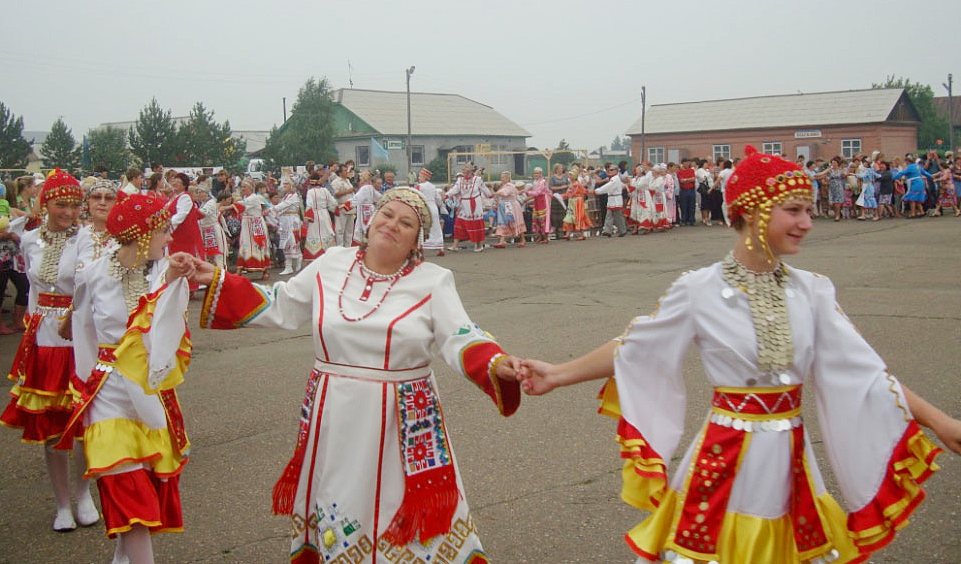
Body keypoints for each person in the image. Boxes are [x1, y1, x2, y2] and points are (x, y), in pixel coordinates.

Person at [518, 147, 961, 563]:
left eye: (808, 210)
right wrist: (557, 373)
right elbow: (634, 347)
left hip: (791, 461)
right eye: (793, 210)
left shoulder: (813, 291)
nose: (807, 222)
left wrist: (941, 422)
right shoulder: (699, 289)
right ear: (750, 211)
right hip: (723, 455)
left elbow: (866, 374)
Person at [188, 187, 523, 563]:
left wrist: (496, 363)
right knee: (341, 497)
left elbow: (462, 336)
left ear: (417, 238)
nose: (392, 225)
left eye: (406, 222)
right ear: (371, 217)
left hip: (403, 421)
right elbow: (281, 304)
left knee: (399, 505)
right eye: (387, 214)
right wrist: (217, 277)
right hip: (334, 414)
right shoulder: (331, 262)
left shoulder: (434, 280)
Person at [57, 193, 195, 564]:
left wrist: (172, 275)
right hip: (108, 396)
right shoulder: (94, 274)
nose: (170, 239)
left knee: (145, 490)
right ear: (142, 233)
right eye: (164, 231)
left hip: (148, 396)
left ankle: (122, 557)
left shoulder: (162, 273)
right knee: (128, 490)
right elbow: (83, 331)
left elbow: (169, 336)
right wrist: (85, 387)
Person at [1, 169, 100, 532]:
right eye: (61, 205)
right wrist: (31, 331)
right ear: (46, 204)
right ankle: (61, 503)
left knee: (83, 420)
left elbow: (89, 280)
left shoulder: (87, 239)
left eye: (75, 206)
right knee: (52, 426)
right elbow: (32, 293)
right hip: (44, 338)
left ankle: (84, 492)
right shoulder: (29, 240)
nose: (69, 213)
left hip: (77, 335)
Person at [445, 164, 492, 252]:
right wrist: (447, 195)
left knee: (475, 224)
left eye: (466, 168)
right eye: (463, 168)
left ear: (471, 170)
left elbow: (485, 189)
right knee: (459, 223)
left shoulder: (477, 180)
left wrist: (490, 195)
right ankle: (455, 246)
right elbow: (455, 189)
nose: (463, 169)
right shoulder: (460, 180)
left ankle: (478, 245)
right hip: (464, 204)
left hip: (475, 204)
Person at [232, 179, 272, 279]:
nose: (243, 189)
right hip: (246, 224)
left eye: (244, 187)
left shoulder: (254, 197)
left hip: (255, 224)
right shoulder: (246, 197)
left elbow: (243, 205)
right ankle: (240, 269)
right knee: (244, 244)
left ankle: (265, 270)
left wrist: (228, 206)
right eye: (242, 187)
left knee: (259, 245)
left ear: (250, 187)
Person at [76, 178, 119, 267]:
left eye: (109, 198)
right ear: (88, 201)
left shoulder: (123, 237)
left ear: (116, 203)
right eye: (97, 197)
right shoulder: (79, 236)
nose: (102, 202)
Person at [271, 178, 305, 275]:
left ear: (291, 185)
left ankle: (298, 258)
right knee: (285, 243)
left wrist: (272, 209)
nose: (284, 186)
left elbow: (284, 205)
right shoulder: (286, 196)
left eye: (286, 184)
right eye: (284, 184)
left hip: (292, 220)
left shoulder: (294, 196)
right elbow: (282, 207)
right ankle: (289, 266)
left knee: (293, 241)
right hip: (285, 221)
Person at [303, 172, 337, 261]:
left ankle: (315, 255)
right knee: (326, 233)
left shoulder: (310, 192)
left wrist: (307, 218)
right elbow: (333, 202)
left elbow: (309, 205)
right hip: (325, 214)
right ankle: (328, 254)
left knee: (315, 234)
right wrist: (332, 209)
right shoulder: (325, 190)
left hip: (314, 216)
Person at [196, 183, 230, 269]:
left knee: (217, 255)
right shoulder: (203, 203)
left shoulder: (211, 203)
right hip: (205, 231)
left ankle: (222, 276)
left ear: (206, 193)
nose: (199, 194)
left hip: (213, 231)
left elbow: (203, 213)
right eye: (198, 192)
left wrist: (191, 211)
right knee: (208, 256)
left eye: (201, 192)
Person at [414, 168, 446, 256]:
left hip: (425, 208)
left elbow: (415, 196)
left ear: (424, 177)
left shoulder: (419, 186)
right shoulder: (433, 186)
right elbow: (438, 199)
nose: (419, 178)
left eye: (420, 176)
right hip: (433, 207)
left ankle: (421, 248)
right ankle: (440, 247)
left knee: (422, 227)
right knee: (436, 227)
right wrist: (441, 206)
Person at [493, 171, 527, 248]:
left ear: (508, 178)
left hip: (512, 206)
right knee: (504, 222)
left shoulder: (510, 186)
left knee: (515, 222)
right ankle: (502, 241)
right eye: (501, 177)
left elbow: (505, 193)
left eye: (503, 177)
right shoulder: (504, 186)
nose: (502, 179)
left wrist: (497, 192)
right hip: (506, 206)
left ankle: (523, 239)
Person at [594, 164, 628, 237]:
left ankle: (622, 230)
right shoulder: (614, 178)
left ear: (616, 171)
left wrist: (598, 191)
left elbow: (607, 187)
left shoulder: (615, 179)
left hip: (616, 199)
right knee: (609, 215)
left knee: (618, 216)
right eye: (609, 170)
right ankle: (607, 230)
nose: (609, 171)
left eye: (612, 170)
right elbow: (621, 186)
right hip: (612, 199)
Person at [351, 171, 380, 246]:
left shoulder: (364, 188)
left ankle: (364, 242)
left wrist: (346, 205)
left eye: (361, 179)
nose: (360, 181)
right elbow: (378, 197)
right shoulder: (370, 187)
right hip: (369, 208)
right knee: (368, 224)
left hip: (364, 209)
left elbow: (357, 199)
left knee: (363, 226)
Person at [332, 166, 356, 247]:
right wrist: (348, 191)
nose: (347, 172)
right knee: (340, 230)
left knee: (349, 231)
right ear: (340, 172)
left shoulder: (348, 181)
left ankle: (348, 248)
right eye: (345, 170)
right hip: (341, 208)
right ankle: (340, 248)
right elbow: (335, 194)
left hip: (350, 208)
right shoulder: (335, 182)